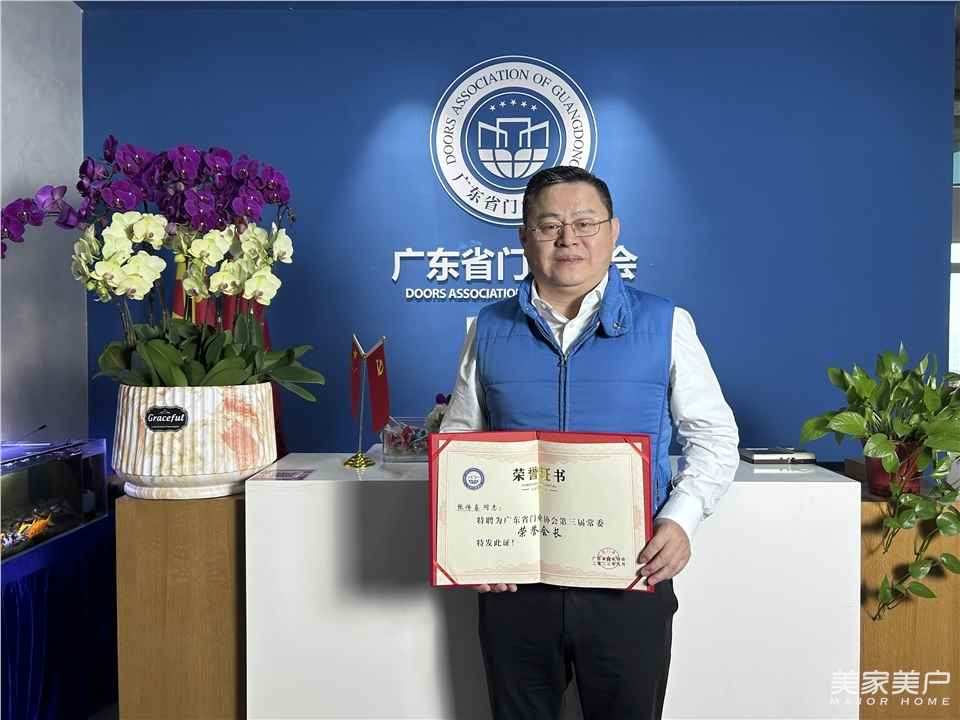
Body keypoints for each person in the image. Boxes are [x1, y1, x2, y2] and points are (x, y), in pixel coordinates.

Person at [439, 166, 740, 720]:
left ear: (613, 230)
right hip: (516, 586)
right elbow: (461, 439)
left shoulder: (666, 323)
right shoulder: (488, 328)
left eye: (584, 223)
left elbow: (715, 436)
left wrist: (681, 520)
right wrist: (470, 544)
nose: (568, 239)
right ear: (524, 236)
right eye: (549, 225)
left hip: (629, 576)